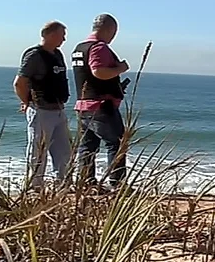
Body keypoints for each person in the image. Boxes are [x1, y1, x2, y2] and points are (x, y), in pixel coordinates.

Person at [71, 13, 130, 189]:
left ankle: (86, 183)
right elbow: (98, 72)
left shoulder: (79, 48)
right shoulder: (99, 48)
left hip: (83, 105)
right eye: (114, 31)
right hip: (101, 106)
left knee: (88, 146)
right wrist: (121, 68)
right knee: (117, 143)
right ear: (109, 29)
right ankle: (117, 183)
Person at [13, 21, 72, 190]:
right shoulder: (34, 55)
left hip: (59, 109)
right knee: (38, 151)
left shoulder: (57, 54)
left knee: (63, 151)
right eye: (62, 35)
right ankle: (34, 186)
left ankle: (63, 185)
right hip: (41, 109)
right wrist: (27, 102)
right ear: (50, 34)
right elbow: (19, 83)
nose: (64, 39)